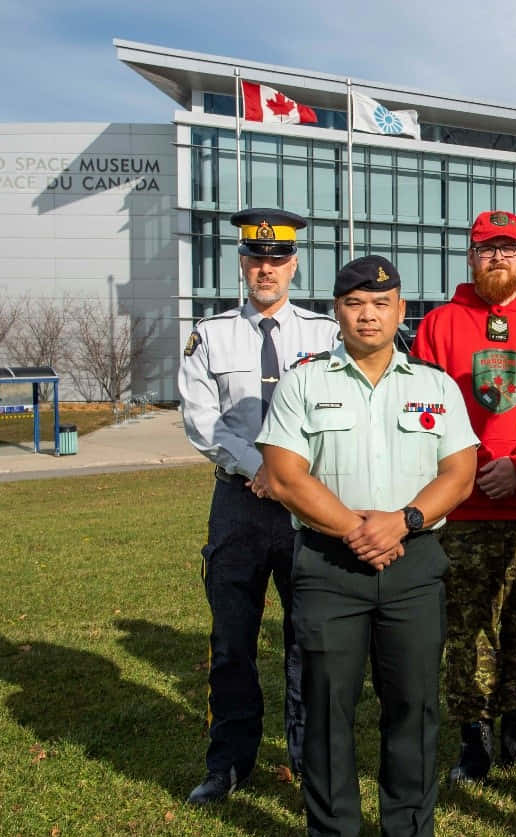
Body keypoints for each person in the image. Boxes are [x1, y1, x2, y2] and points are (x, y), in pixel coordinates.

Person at [256, 255, 479, 837]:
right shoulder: (303, 383)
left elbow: (458, 474)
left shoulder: (435, 386)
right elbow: (284, 474)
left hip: (413, 566)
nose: (368, 314)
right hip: (330, 566)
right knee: (328, 704)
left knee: (414, 702)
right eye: (356, 303)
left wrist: (403, 522)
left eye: (381, 304)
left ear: (400, 311)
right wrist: (360, 530)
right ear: (338, 312)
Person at [177, 207, 339, 805]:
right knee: (233, 641)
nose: (265, 269)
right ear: (241, 264)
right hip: (240, 505)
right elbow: (201, 421)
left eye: (276, 259)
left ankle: (307, 759)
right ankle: (229, 764)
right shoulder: (211, 334)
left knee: (310, 639)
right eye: (255, 259)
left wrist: (289, 475)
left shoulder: (325, 335)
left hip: (307, 504)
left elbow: (334, 413)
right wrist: (261, 469)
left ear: (293, 264)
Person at [413, 210, 516, 789]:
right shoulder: (439, 324)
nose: (498, 259)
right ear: (470, 256)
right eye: (487, 249)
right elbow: (423, 416)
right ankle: (472, 740)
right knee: (466, 630)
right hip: (461, 510)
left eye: (508, 249)